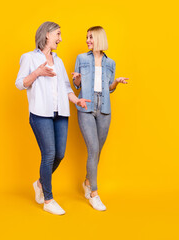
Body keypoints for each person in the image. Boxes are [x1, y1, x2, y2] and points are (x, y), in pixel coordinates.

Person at [15, 21, 90, 215]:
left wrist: (77, 101)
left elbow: (66, 87)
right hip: (40, 114)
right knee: (48, 154)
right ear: (47, 34)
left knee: (59, 154)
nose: (60, 38)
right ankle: (48, 199)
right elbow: (20, 84)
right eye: (58, 34)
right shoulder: (29, 58)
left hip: (60, 113)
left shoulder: (58, 60)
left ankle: (40, 183)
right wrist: (38, 72)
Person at [72, 26, 129, 211]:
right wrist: (78, 78)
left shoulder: (110, 63)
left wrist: (117, 82)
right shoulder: (81, 58)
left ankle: (87, 182)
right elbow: (76, 84)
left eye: (91, 37)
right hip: (87, 108)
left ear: (99, 38)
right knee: (93, 148)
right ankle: (94, 194)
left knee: (98, 151)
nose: (88, 40)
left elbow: (110, 88)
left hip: (104, 109)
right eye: (87, 37)